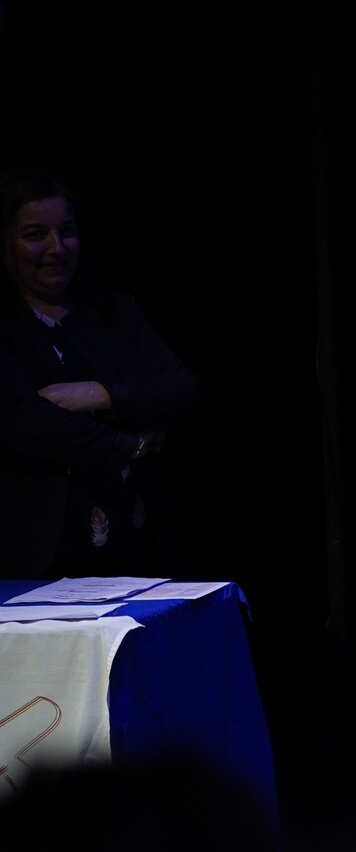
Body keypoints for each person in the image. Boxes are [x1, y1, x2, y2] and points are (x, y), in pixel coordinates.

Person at [0, 166, 199, 576]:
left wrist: (98, 393)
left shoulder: (113, 311)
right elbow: (27, 424)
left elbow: (184, 390)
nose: (56, 248)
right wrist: (133, 442)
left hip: (136, 543)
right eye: (36, 235)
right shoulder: (6, 326)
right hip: (40, 556)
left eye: (67, 231)